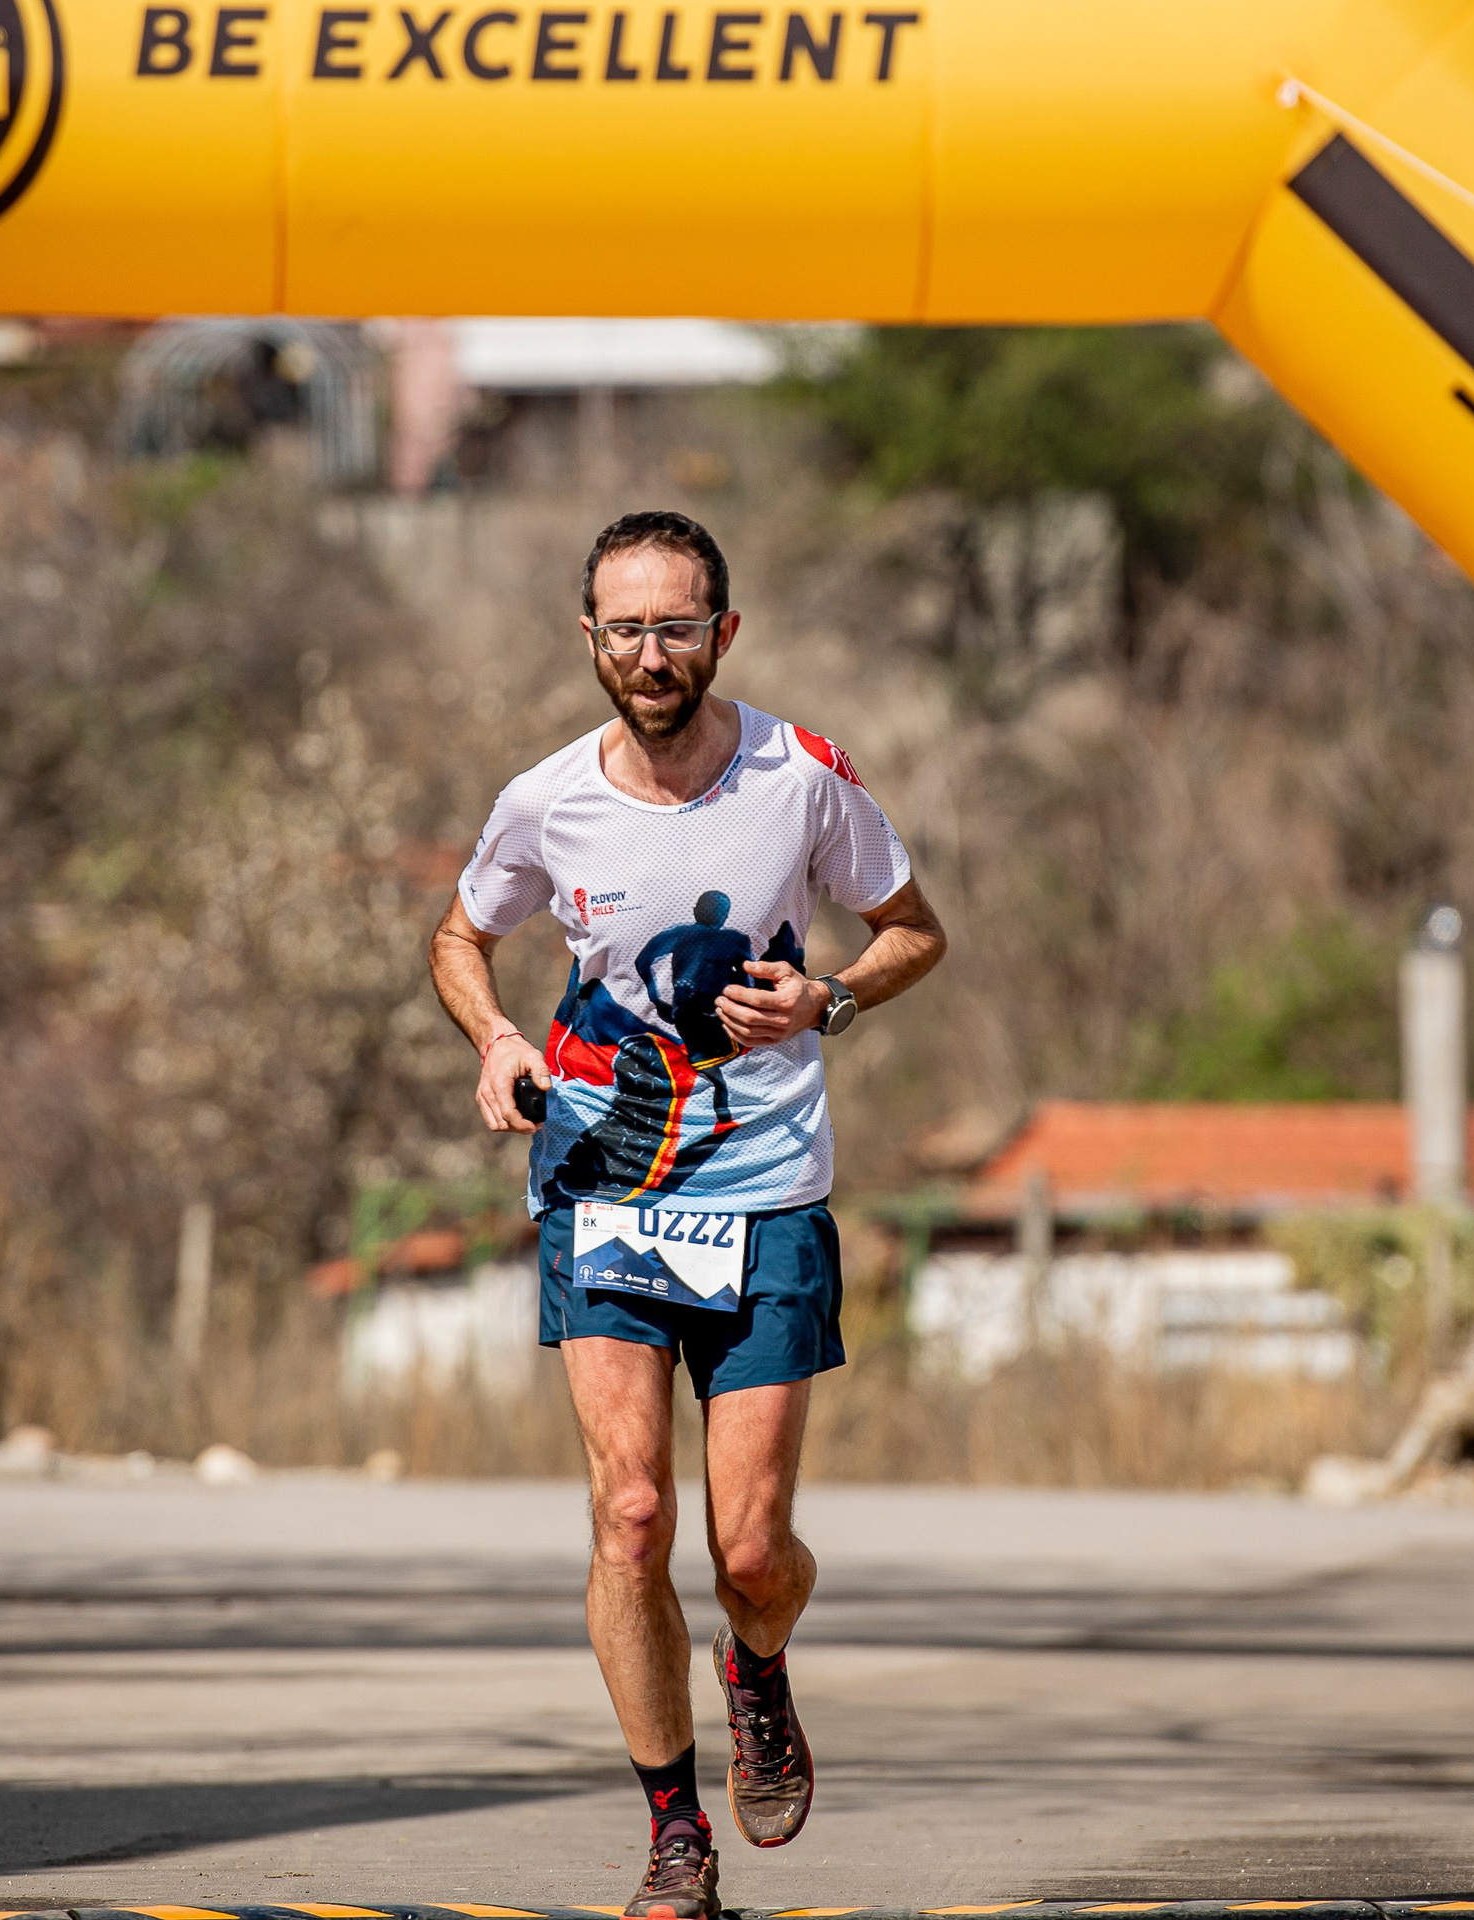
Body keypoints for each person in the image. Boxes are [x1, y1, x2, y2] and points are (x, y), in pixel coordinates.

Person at [429, 510, 947, 1919]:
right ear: (586, 636)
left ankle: (758, 1670)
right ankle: (673, 1830)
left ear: (723, 632)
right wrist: (491, 1038)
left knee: (750, 1552)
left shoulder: (803, 775)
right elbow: (462, 936)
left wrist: (829, 995)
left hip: (767, 1194)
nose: (648, 655)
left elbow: (914, 930)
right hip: (603, 1188)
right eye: (623, 628)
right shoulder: (545, 801)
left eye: (675, 627)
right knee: (632, 1513)